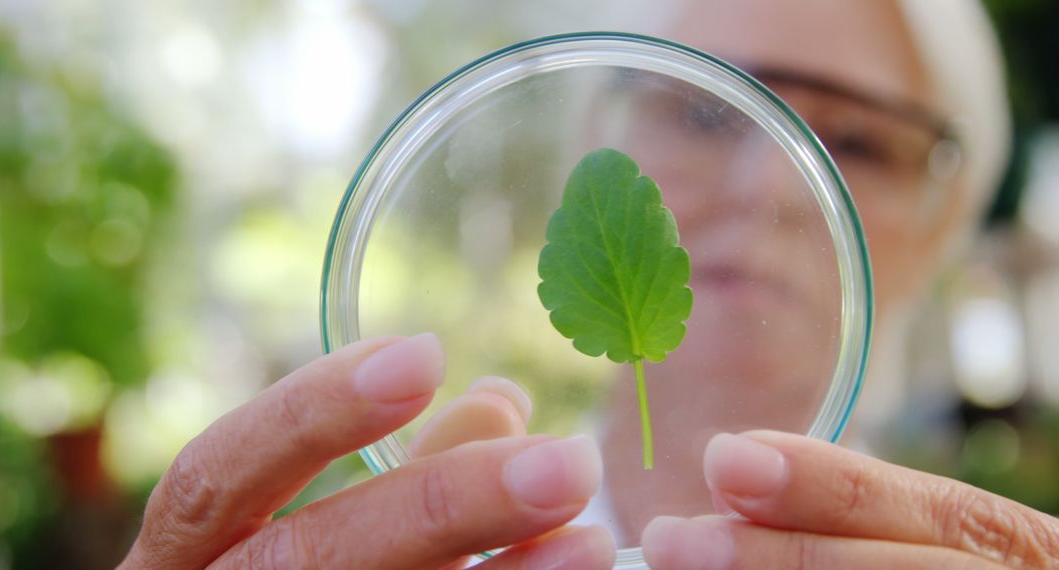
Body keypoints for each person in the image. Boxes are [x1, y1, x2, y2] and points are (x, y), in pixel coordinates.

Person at [119, 0, 1059, 568]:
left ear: (946, 219)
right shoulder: (459, 541)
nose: (770, 182)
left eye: (856, 142)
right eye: (704, 111)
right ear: (594, 140)